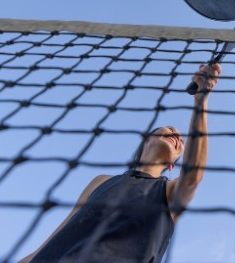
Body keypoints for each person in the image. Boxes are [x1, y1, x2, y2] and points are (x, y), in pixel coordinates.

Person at [18, 63, 221, 263]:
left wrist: (200, 100)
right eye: (169, 130)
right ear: (146, 140)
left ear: (172, 165)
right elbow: (62, 232)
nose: (177, 136)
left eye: (181, 142)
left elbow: (193, 177)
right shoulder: (101, 181)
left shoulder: (169, 192)